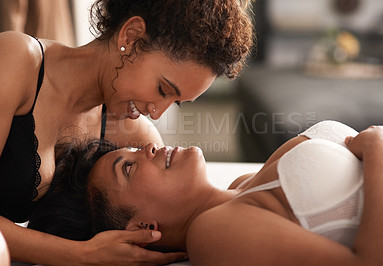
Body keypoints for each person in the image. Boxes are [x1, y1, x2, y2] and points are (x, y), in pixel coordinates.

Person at [0, 0, 254, 264]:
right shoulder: (16, 60)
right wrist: (82, 254)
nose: (157, 113)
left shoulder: (136, 138)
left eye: (175, 102)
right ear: (131, 36)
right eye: (163, 90)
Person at [28, 120, 383, 265]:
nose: (149, 147)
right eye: (128, 167)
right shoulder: (213, 234)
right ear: (141, 227)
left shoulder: (242, 189)